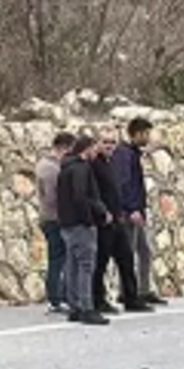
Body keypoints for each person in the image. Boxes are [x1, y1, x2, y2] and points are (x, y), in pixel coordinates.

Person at [91, 128, 148, 313]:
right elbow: (92, 193)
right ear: (98, 143)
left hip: (118, 219)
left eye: (112, 142)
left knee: (126, 259)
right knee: (100, 263)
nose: (109, 146)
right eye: (105, 142)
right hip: (104, 221)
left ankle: (131, 298)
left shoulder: (111, 163)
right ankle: (97, 300)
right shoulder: (94, 165)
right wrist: (102, 212)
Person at [112, 117, 167, 307]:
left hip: (137, 211)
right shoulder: (124, 154)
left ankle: (143, 290)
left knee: (145, 251)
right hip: (130, 212)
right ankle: (126, 292)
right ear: (137, 134)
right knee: (128, 254)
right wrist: (132, 209)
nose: (148, 138)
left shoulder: (133, 153)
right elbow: (123, 183)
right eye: (146, 134)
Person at [57, 136, 110, 325]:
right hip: (80, 224)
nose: (96, 151)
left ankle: (75, 307)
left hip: (67, 223)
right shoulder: (81, 168)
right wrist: (92, 218)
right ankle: (87, 308)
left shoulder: (65, 167)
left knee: (72, 264)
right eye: (94, 148)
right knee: (86, 265)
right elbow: (81, 196)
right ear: (86, 149)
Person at [36, 132, 75, 314]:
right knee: (57, 260)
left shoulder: (48, 165)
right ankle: (56, 299)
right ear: (63, 148)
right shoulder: (50, 168)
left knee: (60, 258)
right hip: (54, 219)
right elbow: (53, 197)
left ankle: (60, 297)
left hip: (51, 217)